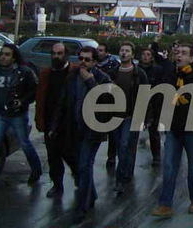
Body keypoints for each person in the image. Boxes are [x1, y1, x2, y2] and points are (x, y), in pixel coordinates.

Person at [151, 44, 193, 219]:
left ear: (192, 58)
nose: (179, 56)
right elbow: (160, 95)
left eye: (184, 54)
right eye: (177, 53)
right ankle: (165, 204)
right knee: (170, 166)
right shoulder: (170, 74)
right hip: (173, 127)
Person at [0, 44, 42, 191]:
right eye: (2, 54)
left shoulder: (23, 72)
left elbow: (33, 91)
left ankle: (36, 169)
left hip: (17, 116)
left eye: (7, 54)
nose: (3, 57)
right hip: (1, 116)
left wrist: (22, 101)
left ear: (14, 57)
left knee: (25, 144)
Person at [67, 46, 112, 224]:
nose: (83, 62)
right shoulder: (73, 76)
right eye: (81, 58)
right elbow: (67, 100)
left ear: (94, 62)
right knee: (81, 165)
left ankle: (81, 207)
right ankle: (90, 195)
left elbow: (109, 100)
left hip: (93, 129)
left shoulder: (102, 77)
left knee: (85, 165)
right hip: (76, 127)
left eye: (87, 59)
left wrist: (91, 82)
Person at [35, 43, 79, 198]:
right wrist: (39, 119)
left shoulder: (73, 72)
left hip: (68, 122)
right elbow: (40, 97)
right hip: (49, 121)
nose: (56, 57)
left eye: (60, 53)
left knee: (70, 154)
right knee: (53, 155)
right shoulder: (46, 73)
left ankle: (79, 178)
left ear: (66, 55)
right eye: (54, 53)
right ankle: (57, 185)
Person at [111, 42, 149, 194]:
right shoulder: (113, 72)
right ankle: (126, 172)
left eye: (127, 51)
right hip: (114, 116)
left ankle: (121, 179)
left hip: (131, 116)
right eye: (122, 50)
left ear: (132, 55)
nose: (124, 53)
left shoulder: (139, 74)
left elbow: (145, 96)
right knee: (121, 147)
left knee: (125, 144)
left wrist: (146, 118)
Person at [139, 47, 163, 166]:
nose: (145, 56)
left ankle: (156, 156)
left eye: (148, 54)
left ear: (152, 57)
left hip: (153, 104)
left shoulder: (157, 70)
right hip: (138, 103)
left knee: (153, 132)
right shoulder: (136, 70)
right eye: (143, 54)